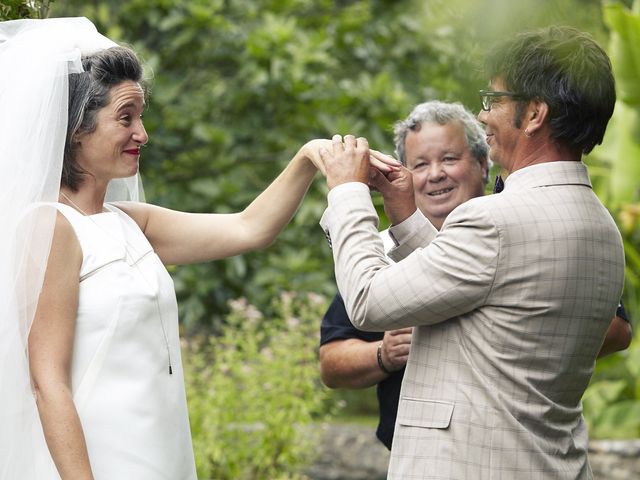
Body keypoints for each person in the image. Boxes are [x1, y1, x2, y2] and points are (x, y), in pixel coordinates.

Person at [0, 18, 394, 480]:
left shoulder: (130, 221)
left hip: (157, 448)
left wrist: (310, 155)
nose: (142, 134)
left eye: (141, 117)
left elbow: (249, 228)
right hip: (98, 459)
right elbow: (48, 383)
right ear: (76, 130)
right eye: (125, 117)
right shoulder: (50, 226)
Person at [317, 25, 625, 479]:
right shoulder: (603, 227)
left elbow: (366, 299)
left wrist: (346, 193)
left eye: (493, 100)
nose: (484, 117)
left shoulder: (493, 220)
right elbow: (484, 292)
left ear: (535, 113)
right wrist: (404, 213)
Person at [319, 100, 490, 450]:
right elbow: (331, 362)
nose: (435, 174)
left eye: (449, 159)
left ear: (483, 164)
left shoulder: (511, 229)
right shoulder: (377, 253)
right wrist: (383, 354)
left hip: (495, 444)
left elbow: (612, 328)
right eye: (420, 165)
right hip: (411, 454)